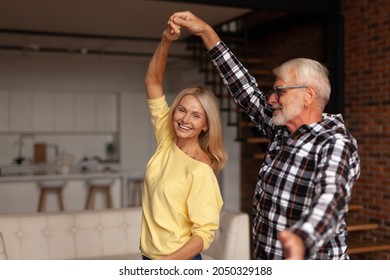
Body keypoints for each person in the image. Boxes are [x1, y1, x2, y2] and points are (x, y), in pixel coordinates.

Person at [170, 11, 360, 260]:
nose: (271, 99)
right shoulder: (281, 130)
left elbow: (332, 197)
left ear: (308, 96)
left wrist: (303, 238)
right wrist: (206, 32)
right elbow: (244, 88)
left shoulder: (334, 142)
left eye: (279, 91)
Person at [140, 18, 228, 260]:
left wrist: (165, 266)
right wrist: (166, 41)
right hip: (149, 257)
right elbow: (152, 81)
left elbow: (204, 234)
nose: (185, 119)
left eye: (196, 115)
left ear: (205, 125)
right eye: (182, 109)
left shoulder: (200, 169)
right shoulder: (167, 139)